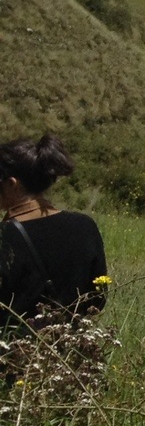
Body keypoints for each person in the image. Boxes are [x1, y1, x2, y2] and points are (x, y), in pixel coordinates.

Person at [0, 135, 107, 327]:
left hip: (15, 352)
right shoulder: (85, 226)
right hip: (74, 351)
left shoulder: (4, 236)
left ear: (12, 184)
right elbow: (97, 300)